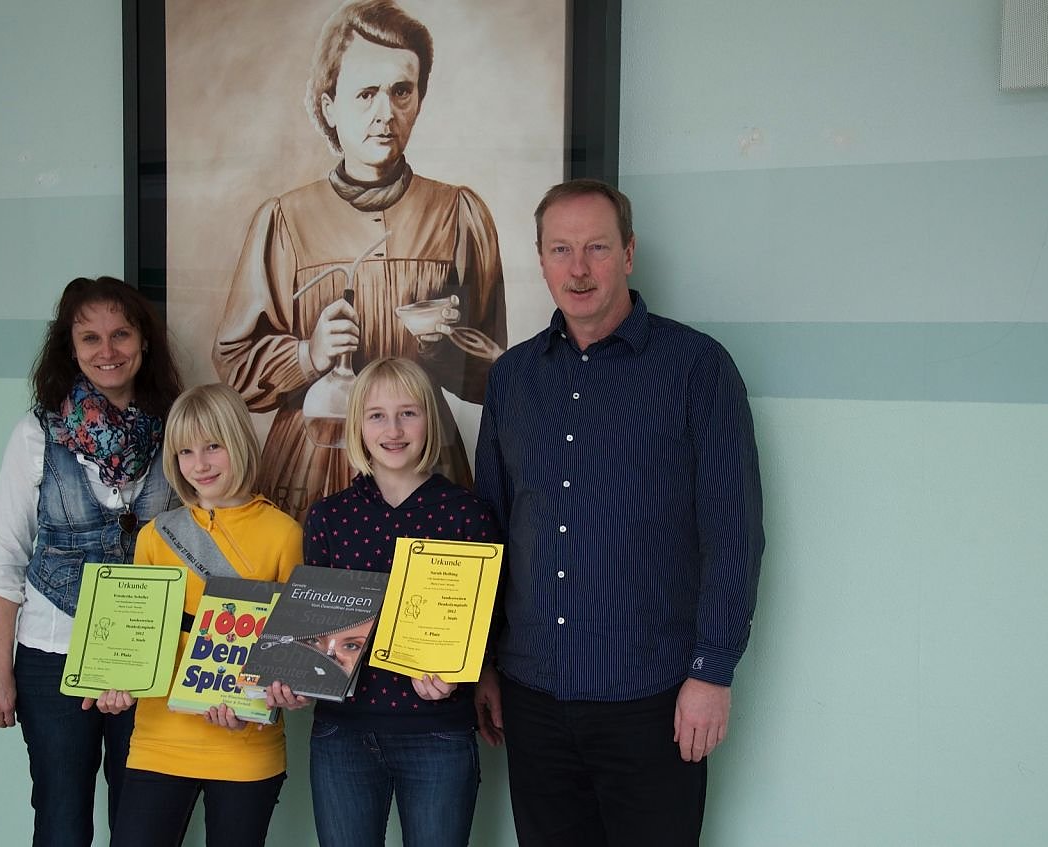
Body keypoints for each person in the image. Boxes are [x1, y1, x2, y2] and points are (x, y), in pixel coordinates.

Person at [473, 179, 766, 846]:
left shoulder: (695, 368)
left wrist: (712, 671)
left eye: (597, 248)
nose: (578, 269)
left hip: (652, 699)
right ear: (541, 259)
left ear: (629, 253)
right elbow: (491, 525)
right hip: (532, 695)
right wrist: (482, 659)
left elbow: (733, 533)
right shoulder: (513, 377)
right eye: (561, 249)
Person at [213, 0, 507, 521]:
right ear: (329, 106)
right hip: (314, 458)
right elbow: (235, 362)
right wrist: (308, 354)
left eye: (401, 91)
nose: (385, 113)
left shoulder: (458, 213)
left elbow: (494, 377)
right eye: (366, 93)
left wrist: (442, 347)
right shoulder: (284, 219)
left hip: (423, 461)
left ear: (420, 99)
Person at [0, 276, 183, 846]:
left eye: (121, 334)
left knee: (142, 826)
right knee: (62, 823)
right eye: (90, 337)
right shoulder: (36, 435)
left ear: (144, 342)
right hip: (52, 656)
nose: (107, 350)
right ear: (71, 348)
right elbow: (5, 557)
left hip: (146, 659)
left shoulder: (177, 432)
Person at [266, 357, 502, 847]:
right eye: (376, 415)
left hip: (437, 733)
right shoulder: (329, 517)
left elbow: (486, 626)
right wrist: (299, 683)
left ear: (430, 420)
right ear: (357, 425)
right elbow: (317, 637)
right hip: (342, 736)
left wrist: (458, 674)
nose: (393, 430)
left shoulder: (467, 515)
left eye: (407, 413)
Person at [88, 382, 303, 847]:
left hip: (246, 749)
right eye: (185, 451)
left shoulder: (284, 534)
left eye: (213, 447)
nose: (199, 464)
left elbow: (291, 655)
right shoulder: (155, 536)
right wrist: (115, 684)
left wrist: (262, 703)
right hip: (158, 741)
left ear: (239, 443)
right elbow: (134, 639)